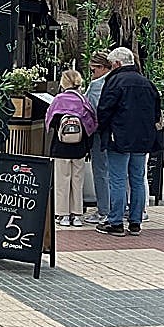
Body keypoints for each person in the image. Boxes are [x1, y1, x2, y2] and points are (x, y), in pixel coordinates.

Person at [95, 46, 161, 237]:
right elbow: (156, 111)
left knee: (117, 179)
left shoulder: (114, 81)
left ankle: (115, 222)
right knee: (138, 179)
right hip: (142, 139)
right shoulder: (146, 82)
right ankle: (135, 222)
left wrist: (103, 130)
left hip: (119, 138)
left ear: (117, 63)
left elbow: (104, 109)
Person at [44, 69, 97, 227]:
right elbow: (91, 124)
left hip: (60, 148)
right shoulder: (83, 100)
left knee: (62, 181)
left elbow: (51, 121)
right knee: (77, 181)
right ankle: (77, 215)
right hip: (79, 148)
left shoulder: (59, 100)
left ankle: (63, 214)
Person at [82, 53, 112, 225]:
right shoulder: (117, 80)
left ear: (101, 68)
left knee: (100, 171)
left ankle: (103, 210)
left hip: (100, 133)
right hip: (118, 133)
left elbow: (91, 108)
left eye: (93, 70)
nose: (92, 74)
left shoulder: (96, 85)